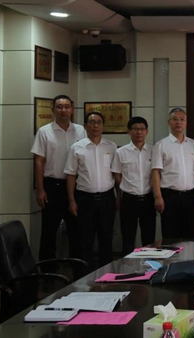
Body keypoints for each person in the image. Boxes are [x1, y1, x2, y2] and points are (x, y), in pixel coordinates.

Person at [30, 94, 85, 260]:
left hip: (75, 186)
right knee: (49, 230)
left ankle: (77, 269)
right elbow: (39, 160)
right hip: (52, 186)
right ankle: (48, 269)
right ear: (53, 109)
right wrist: (40, 189)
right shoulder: (44, 131)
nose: (63, 110)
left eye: (67, 107)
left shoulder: (81, 130)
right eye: (59, 107)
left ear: (72, 109)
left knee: (76, 229)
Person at [65, 111, 117, 269]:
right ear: (85, 126)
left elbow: (117, 174)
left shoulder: (111, 147)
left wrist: (119, 197)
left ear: (103, 126)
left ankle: (106, 273)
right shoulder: (77, 147)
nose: (96, 126)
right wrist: (72, 201)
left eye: (99, 122)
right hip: (84, 199)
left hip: (107, 198)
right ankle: (84, 275)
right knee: (84, 239)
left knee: (106, 237)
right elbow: (71, 175)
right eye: (92, 122)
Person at [151, 108, 194, 238]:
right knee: (170, 234)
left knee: (189, 234)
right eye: (175, 119)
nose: (178, 122)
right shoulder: (161, 145)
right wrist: (158, 197)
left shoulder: (193, 144)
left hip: (190, 196)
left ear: (186, 122)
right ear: (169, 122)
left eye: (182, 119)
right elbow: (155, 172)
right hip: (169, 196)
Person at [111, 116, 155, 255]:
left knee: (149, 237)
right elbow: (117, 175)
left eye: (142, 129)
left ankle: (150, 265)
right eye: (135, 129)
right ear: (128, 131)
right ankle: (127, 266)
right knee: (128, 237)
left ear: (147, 131)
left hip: (148, 199)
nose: (139, 132)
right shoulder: (121, 152)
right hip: (129, 200)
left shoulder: (153, 151)